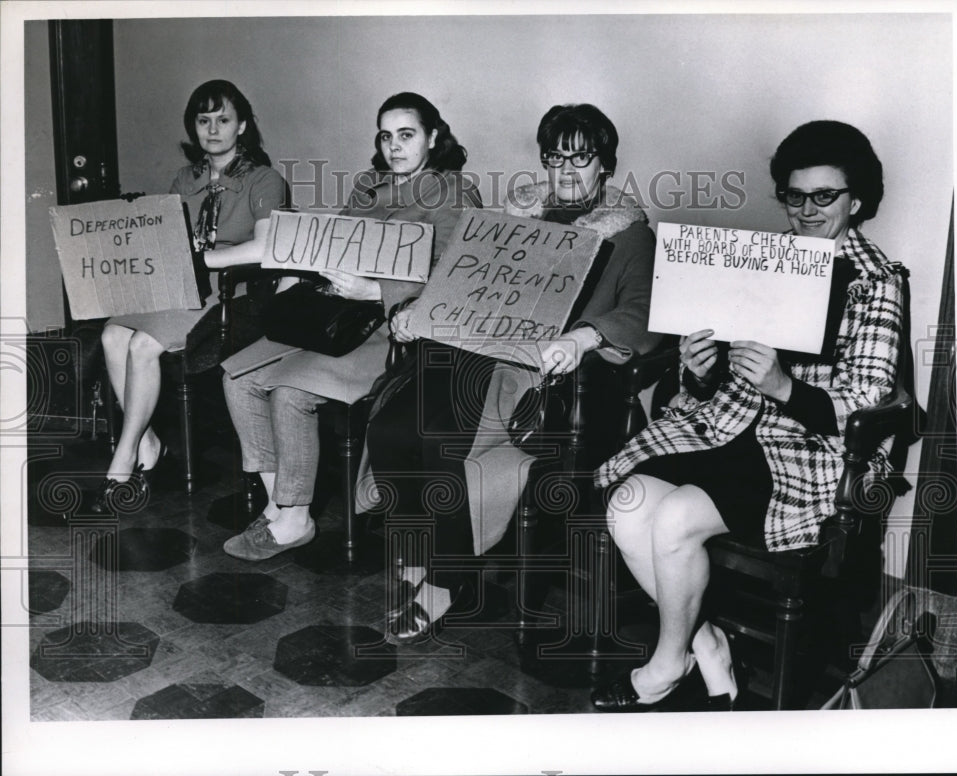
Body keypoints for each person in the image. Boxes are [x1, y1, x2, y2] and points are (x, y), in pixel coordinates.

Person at [590, 120, 905, 712]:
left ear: (856, 200)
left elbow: (867, 398)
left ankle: (662, 668)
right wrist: (703, 369)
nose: (807, 209)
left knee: (677, 517)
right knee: (628, 504)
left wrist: (786, 387)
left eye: (824, 196)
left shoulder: (876, 283)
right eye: (794, 195)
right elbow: (715, 381)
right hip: (732, 425)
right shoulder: (766, 261)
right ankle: (704, 644)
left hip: (810, 449)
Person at [366, 103, 662, 644]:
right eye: (555, 158)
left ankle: (445, 582)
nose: (567, 171)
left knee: (441, 443)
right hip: (470, 352)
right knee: (388, 428)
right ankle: (415, 554)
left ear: (605, 164)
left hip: (543, 379)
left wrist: (585, 335)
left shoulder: (630, 232)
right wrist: (414, 311)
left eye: (581, 158)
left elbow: (644, 314)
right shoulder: (517, 215)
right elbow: (456, 277)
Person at [220, 92, 482, 561]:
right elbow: (336, 240)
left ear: (434, 137)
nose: (394, 146)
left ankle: (296, 518)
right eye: (386, 135)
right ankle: (279, 504)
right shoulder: (369, 184)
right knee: (236, 378)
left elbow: (450, 276)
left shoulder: (454, 193)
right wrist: (295, 263)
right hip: (335, 318)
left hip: (394, 329)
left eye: (407, 135)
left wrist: (376, 291)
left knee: (290, 393)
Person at [92, 79, 288, 513]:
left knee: (142, 345)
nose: (213, 129)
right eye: (203, 120)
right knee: (111, 336)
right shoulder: (185, 178)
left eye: (223, 120)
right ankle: (148, 441)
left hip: (231, 299)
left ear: (242, 127)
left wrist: (204, 260)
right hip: (180, 291)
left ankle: (123, 459)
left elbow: (264, 248)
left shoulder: (264, 179)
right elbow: (167, 241)